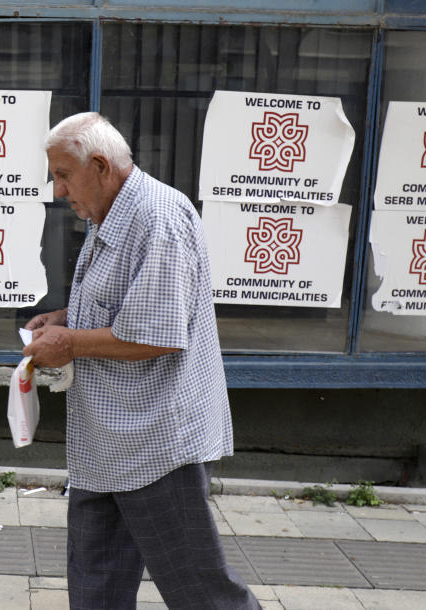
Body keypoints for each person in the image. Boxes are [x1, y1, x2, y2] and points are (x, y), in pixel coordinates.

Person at [22, 112, 260, 610]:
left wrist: (68, 343)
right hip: (106, 439)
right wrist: (67, 317)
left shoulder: (158, 218)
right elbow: (131, 302)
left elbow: (158, 335)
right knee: (96, 581)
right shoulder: (111, 211)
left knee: (199, 589)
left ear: (101, 166)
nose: (59, 190)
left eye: (64, 175)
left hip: (156, 441)